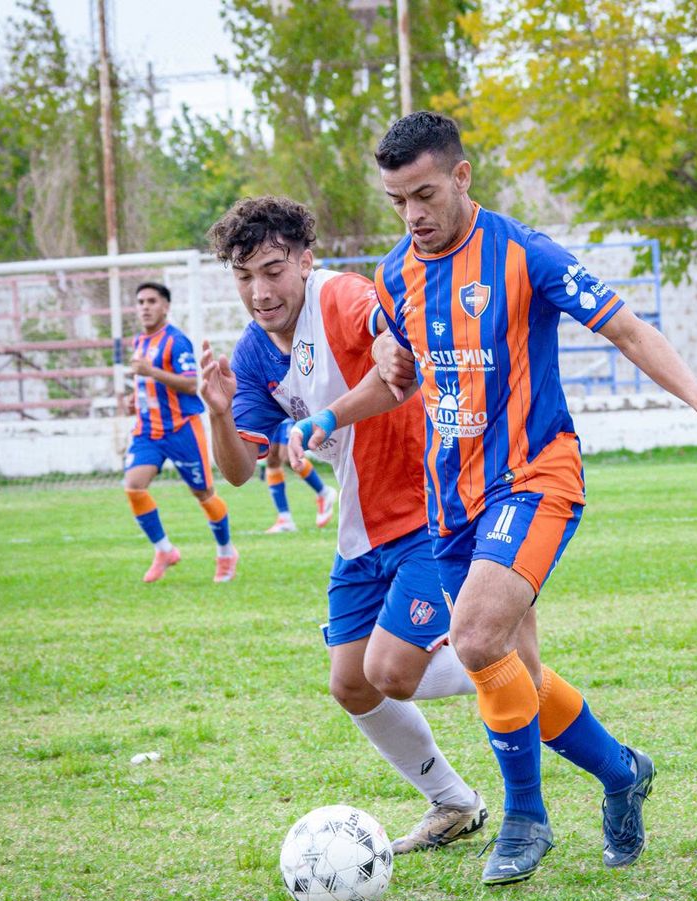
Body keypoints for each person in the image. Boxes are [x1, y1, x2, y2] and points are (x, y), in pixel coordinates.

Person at [289, 111, 697, 886]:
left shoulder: (523, 252)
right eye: (397, 199)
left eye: (426, 193)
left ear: (463, 176)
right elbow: (396, 373)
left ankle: (524, 819)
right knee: (519, 675)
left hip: (537, 476)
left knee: (475, 641)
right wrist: (339, 406)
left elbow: (630, 332)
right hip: (452, 496)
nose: (413, 213)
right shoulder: (395, 272)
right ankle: (621, 772)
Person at [198, 196, 486, 853]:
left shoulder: (340, 296)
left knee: (390, 670)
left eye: (272, 271)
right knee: (351, 683)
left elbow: (397, 359)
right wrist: (217, 412)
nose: (259, 291)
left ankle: (501, 659)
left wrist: (327, 412)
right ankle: (454, 803)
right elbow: (241, 471)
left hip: (427, 510)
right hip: (361, 528)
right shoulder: (252, 355)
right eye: (244, 277)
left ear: (305, 259)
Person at [123, 281, 239, 584]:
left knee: (203, 494)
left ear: (165, 306)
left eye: (151, 301)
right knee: (134, 485)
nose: (145, 307)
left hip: (181, 429)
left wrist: (151, 373)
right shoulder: (139, 342)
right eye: (141, 302)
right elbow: (146, 383)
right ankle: (164, 551)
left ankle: (226, 552)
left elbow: (190, 385)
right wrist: (133, 400)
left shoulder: (177, 341)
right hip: (148, 431)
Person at [261, 417, 337, 533]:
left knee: (288, 456)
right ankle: (285, 519)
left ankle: (324, 492)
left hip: (286, 411)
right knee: (272, 460)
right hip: (272, 412)